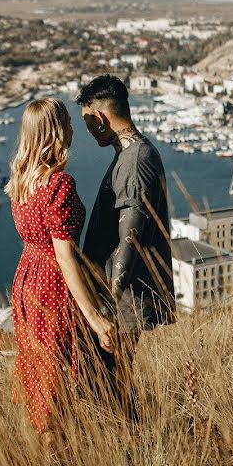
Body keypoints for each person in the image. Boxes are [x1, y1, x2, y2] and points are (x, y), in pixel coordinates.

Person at [5, 98, 115, 435]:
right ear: (56, 132)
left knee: (41, 374)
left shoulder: (21, 180)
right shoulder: (58, 184)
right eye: (68, 121)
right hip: (52, 283)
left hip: (26, 279)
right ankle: (59, 454)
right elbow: (65, 255)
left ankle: (45, 448)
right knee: (59, 375)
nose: (72, 128)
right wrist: (96, 320)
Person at [76, 74, 176, 415]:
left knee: (112, 385)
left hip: (122, 304)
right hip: (120, 302)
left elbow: (128, 240)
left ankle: (128, 447)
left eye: (88, 122)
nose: (88, 132)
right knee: (113, 382)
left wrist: (107, 306)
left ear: (101, 118)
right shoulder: (133, 154)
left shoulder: (134, 160)